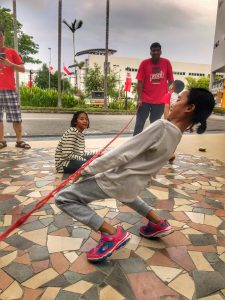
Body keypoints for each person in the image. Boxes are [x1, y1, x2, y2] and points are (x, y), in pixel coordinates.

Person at [55, 88, 215, 263]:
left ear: (189, 108)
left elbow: (123, 153)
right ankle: (157, 222)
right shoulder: (177, 135)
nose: (174, 103)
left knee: (64, 198)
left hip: (117, 180)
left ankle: (111, 234)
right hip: (133, 184)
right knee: (126, 194)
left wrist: (86, 169)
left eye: (179, 100)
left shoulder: (162, 126)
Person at [133, 42, 174, 136]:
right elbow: (140, 82)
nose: (155, 52)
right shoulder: (144, 63)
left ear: (161, 52)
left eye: (157, 50)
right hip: (145, 100)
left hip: (160, 101)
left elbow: (171, 81)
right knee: (139, 123)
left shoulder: (166, 63)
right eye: (153, 51)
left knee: (155, 125)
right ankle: (134, 143)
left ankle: (152, 143)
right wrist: (139, 98)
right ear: (150, 52)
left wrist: (169, 97)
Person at [0, 26, 30, 150]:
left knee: (16, 116)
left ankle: (19, 141)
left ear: (3, 37)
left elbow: (23, 69)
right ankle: (1, 141)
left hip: (10, 89)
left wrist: (10, 64)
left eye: (0, 36)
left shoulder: (11, 52)